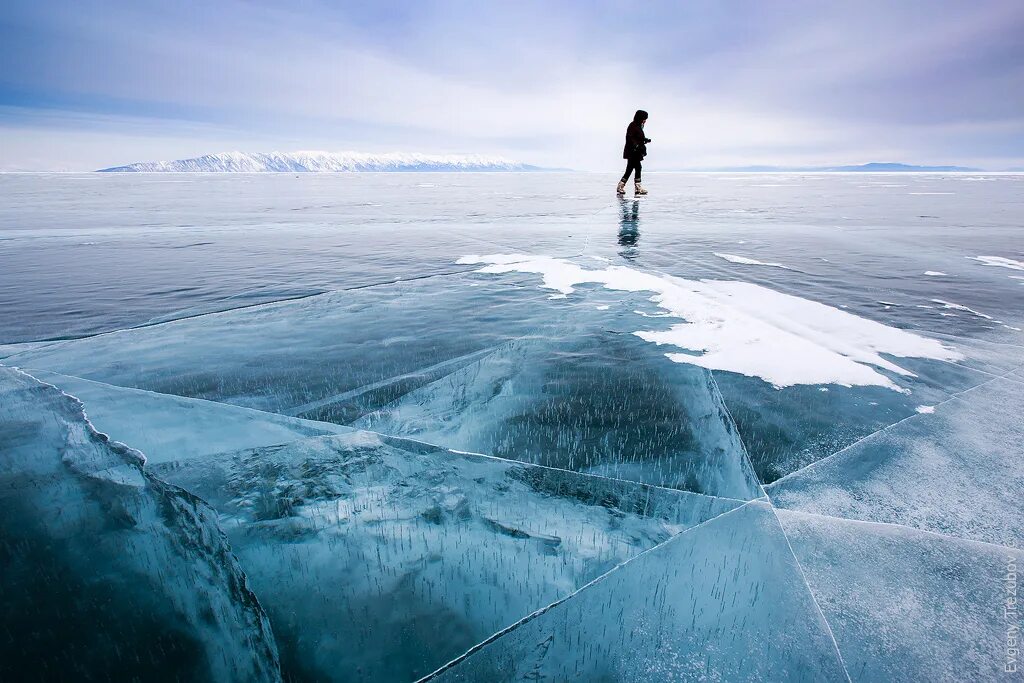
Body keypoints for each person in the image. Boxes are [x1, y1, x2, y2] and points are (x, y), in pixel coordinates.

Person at [617, 110, 650, 196]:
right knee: (636, 167)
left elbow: (638, 137)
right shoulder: (633, 126)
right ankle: (634, 187)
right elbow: (630, 137)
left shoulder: (638, 126)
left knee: (632, 168)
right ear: (640, 118)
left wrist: (645, 140)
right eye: (644, 119)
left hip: (636, 152)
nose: (645, 121)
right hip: (632, 152)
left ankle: (625, 186)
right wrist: (636, 146)